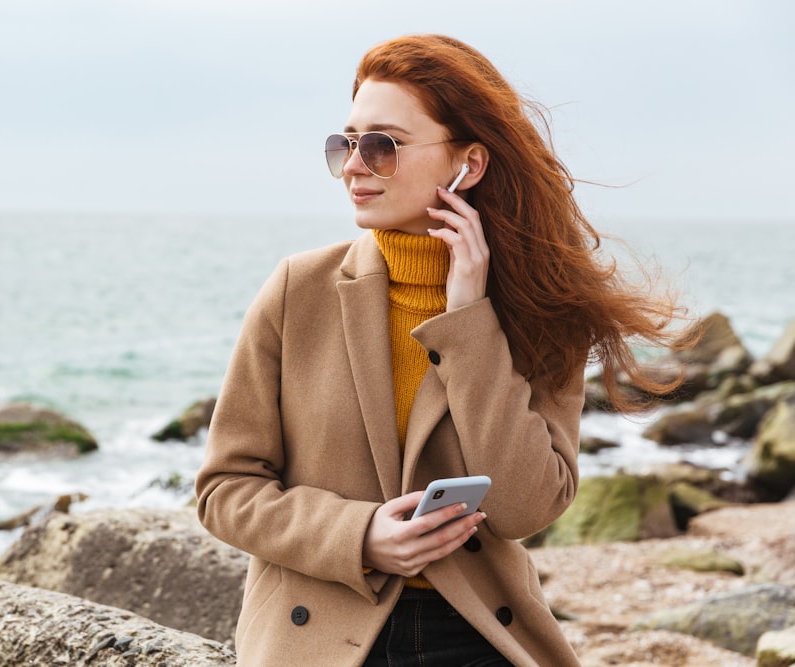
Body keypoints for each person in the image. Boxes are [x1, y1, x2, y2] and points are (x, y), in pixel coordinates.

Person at [195, 34, 683, 666]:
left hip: (481, 634)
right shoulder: (299, 290)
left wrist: (470, 320)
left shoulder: (539, 310)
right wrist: (358, 536)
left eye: (382, 146)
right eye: (345, 143)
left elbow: (525, 507)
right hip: (322, 634)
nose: (353, 165)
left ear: (469, 165)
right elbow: (224, 488)